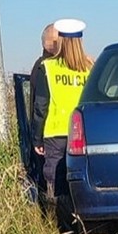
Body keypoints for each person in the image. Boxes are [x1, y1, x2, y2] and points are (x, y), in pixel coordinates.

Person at [30, 18, 92, 222]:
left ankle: (62, 226)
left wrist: (36, 139)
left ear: (61, 41)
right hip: (84, 133)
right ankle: (86, 221)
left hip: (55, 133)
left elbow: (40, 106)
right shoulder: (90, 67)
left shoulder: (47, 67)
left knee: (56, 182)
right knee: (82, 177)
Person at [27, 23, 60, 189]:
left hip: (56, 136)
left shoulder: (42, 66)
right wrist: (37, 138)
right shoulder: (46, 67)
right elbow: (40, 106)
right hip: (53, 136)